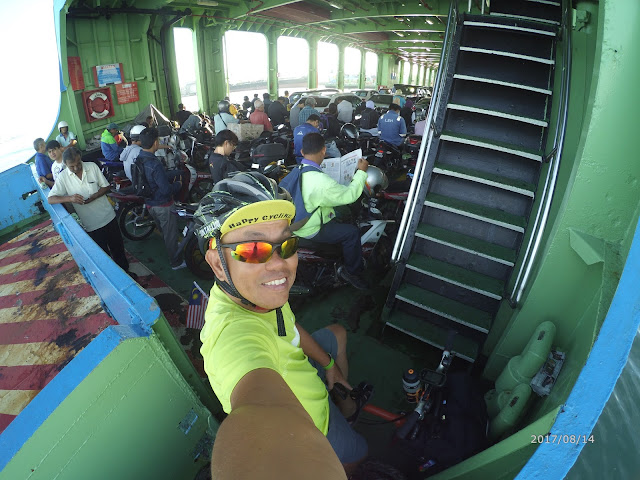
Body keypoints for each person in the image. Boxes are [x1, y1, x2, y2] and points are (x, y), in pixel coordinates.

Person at [194, 171, 369, 478]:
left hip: (300, 368)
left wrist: (329, 365)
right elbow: (255, 405)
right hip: (315, 421)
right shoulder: (232, 335)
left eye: (286, 245)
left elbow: (288, 325)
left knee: (338, 334)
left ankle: (341, 396)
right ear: (218, 263)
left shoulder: (259, 292)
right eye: (253, 250)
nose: (279, 265)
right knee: (358, 453)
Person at [295, 133, 369, 290]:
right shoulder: (321, 182)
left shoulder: (297, 170)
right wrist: (361, 172)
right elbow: (349, 196)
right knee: (351, 233)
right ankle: (353, 272)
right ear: (324, 150)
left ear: (302, 152)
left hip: (296, 221)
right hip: (310, 228)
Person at [47, 147, 132, 277]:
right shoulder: (63, 177)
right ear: (65, 164)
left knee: (118, 249)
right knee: (103, 255)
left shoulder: (91, 166)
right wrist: (70, 198)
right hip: (91, 224)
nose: (76, 168)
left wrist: (95, 196)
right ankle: (113, 278)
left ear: (80, 158)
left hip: (108, 217)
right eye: (71, 166)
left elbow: (106, 186)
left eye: (78, 164)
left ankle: (126, 273)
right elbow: (51, 199)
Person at [137, 128, 185, 270]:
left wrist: (174, 173)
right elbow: (166, 190)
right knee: (171, 235)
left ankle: (171, 249)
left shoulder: (140, 157)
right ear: (156, 143)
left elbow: (155, 178)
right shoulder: (155, 163)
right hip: (163, 205)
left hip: (150, 203)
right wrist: (178, 184)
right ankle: (176, 262)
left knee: (164, 231)